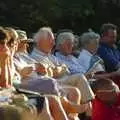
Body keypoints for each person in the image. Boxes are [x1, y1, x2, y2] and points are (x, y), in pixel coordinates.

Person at [31, 27, 94, 104]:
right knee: (80, 77)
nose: (54, 44)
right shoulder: (35, 57)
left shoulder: (49, 55)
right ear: (41, 42)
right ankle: (90, 110)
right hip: (52, 84)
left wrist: (59, 69)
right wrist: (59, 69)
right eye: (51, 41)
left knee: (88, 81)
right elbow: (50, 73)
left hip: (62, 80)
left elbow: (65, 69)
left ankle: (89, 109)